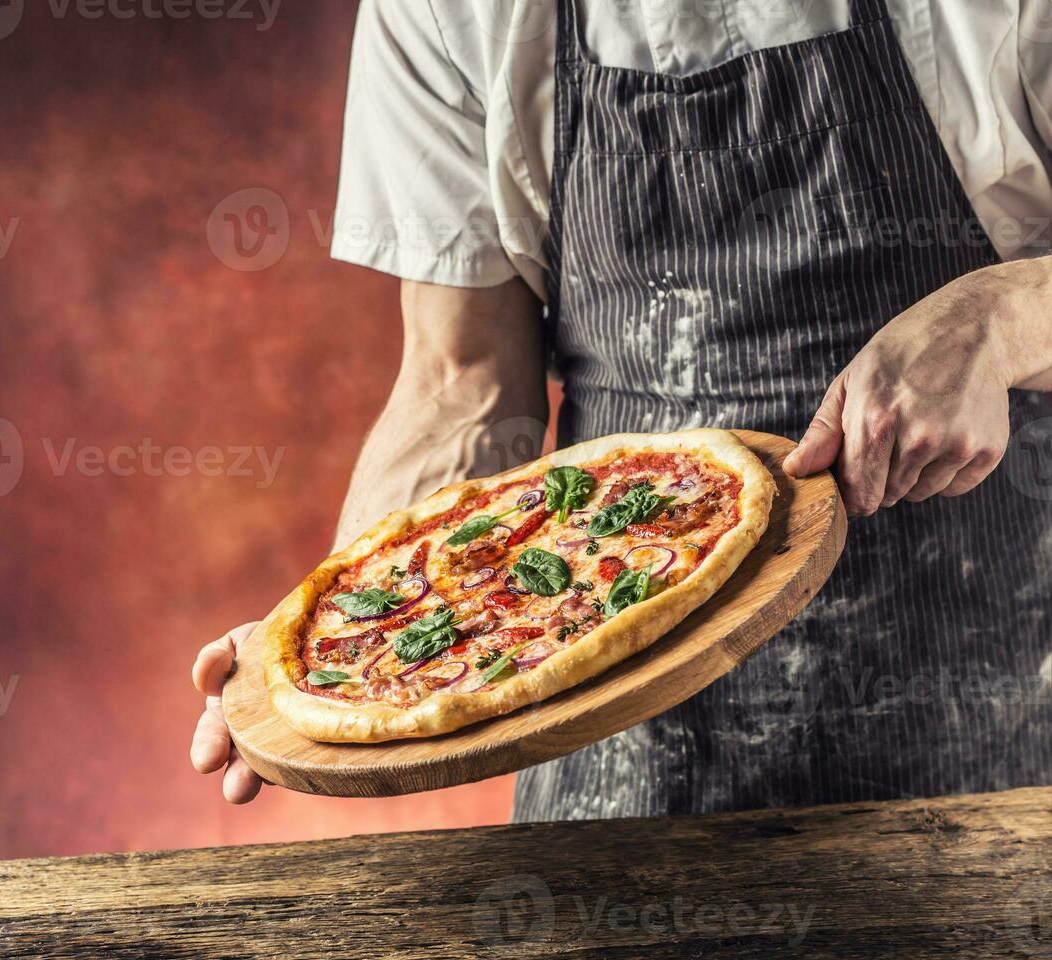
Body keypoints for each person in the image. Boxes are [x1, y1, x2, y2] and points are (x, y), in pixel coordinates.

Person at [191, 0, 1052, 816]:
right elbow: (464, 387)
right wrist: (357, 635)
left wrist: (1000, 316)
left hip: (997, 705)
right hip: (618, 761)